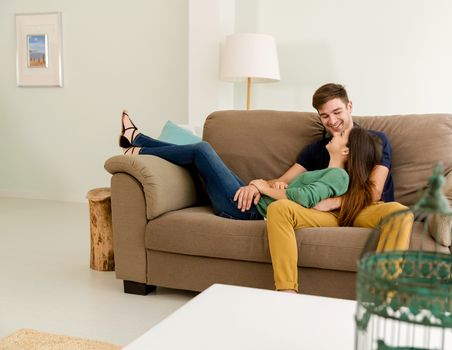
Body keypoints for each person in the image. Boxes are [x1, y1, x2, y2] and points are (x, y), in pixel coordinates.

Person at [248, 83, 413, 293]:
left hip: (366, 209)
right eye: (325, 116)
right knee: (278, 208)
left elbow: (374, 191)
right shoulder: (317, 149)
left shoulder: (374, 140)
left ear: (349, 106)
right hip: (329, 216)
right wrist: (256, 185)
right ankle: (286, 292)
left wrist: (334, 202)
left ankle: (383, 297)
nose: (332, 121)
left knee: (400, 213)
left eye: (337, 112)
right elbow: (282, 181)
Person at [118, 111, 376, 220]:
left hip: (245, 212)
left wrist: (263, 186)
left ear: (346, 150)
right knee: (201, 153)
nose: (335, 132)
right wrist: (263, 184)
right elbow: (292, 188)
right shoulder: (328, 172)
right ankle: (136, 140)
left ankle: (138, 147)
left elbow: (301, 198)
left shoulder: (339, 177)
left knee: (202, 150)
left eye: (341, 136)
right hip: (248, 201)